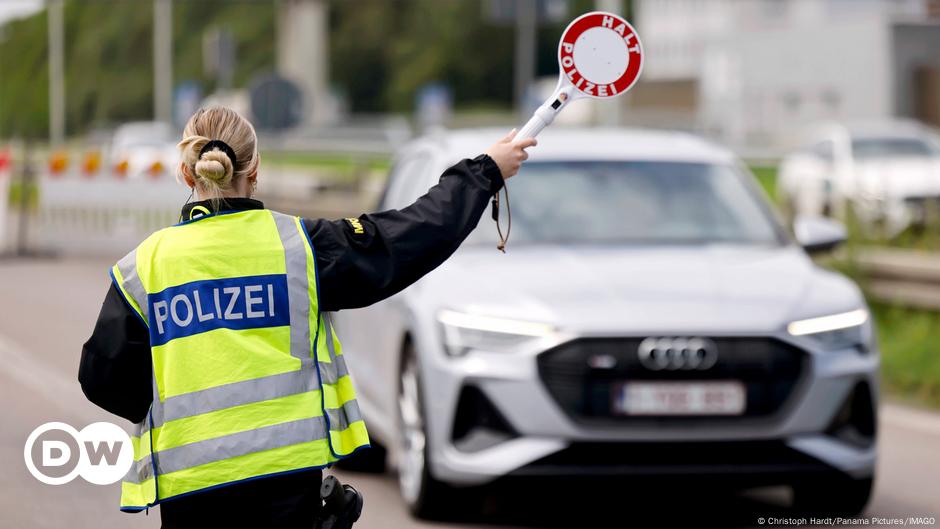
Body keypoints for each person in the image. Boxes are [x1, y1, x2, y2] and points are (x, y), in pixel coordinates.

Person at [78, 106, 536, 528]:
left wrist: (177, 397)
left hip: (191, 492)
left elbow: (102, 377)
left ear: (186, 171)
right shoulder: (301, 246)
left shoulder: (144, 266)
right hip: (287, 487)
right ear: (254, 171)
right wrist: (485, 171)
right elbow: (409, 237)